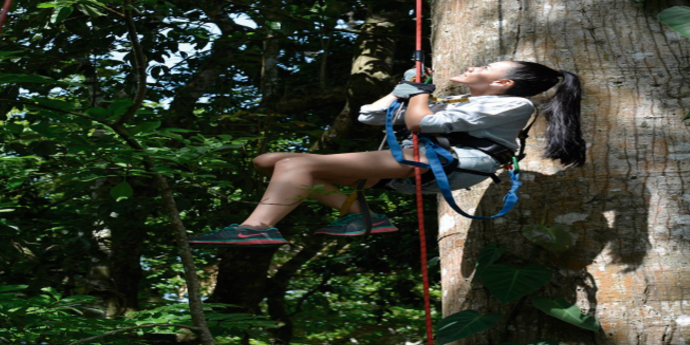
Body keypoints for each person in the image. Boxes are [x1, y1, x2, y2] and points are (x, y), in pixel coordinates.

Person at [186, 60, 585, 245]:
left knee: (295, 164)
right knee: (271, 162)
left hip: (444, 161)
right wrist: (403, 88)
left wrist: (422, 97)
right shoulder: (458, 100)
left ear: (502, 83)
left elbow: (419, 124)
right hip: (419, 154)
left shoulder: (515, 105)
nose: (471, 67)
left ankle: (255, 230)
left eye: (484, 66)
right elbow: (371, 117)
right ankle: (363, 216)